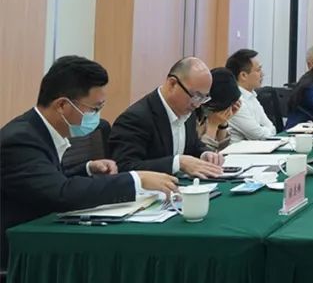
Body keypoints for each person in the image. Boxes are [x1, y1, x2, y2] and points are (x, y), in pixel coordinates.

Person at [0, 56, 178, 268]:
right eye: (94, 109)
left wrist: (87, 169)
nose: (97, 116)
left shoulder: (37, 130)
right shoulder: (20, 140)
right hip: (20, 257)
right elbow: (60, 193)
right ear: (62, 105)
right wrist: (135, 180)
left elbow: (47, 180)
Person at [110, 57, 225, 179]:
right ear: (172, 84)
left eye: (203, 98)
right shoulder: (136, 118)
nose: (197, 105)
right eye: (195, 96)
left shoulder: (188, 111)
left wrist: (205, 153)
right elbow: (124, 167)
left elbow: (193, 145)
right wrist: (177, 163)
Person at [225, 49, 277, 142]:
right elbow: (258, 135)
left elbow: (272, 128)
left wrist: (264, 130)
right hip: (238, 150)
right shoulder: (235, 100)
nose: (262, 74)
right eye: (258, 70)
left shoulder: (251, 96)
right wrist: (265, 130)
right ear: (243, 75)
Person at [196, 68, 242, 152]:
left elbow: (222, 150)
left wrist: (223, 122)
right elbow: (204, 153)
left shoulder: (209, 111)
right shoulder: (192, 114)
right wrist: (213, 126)